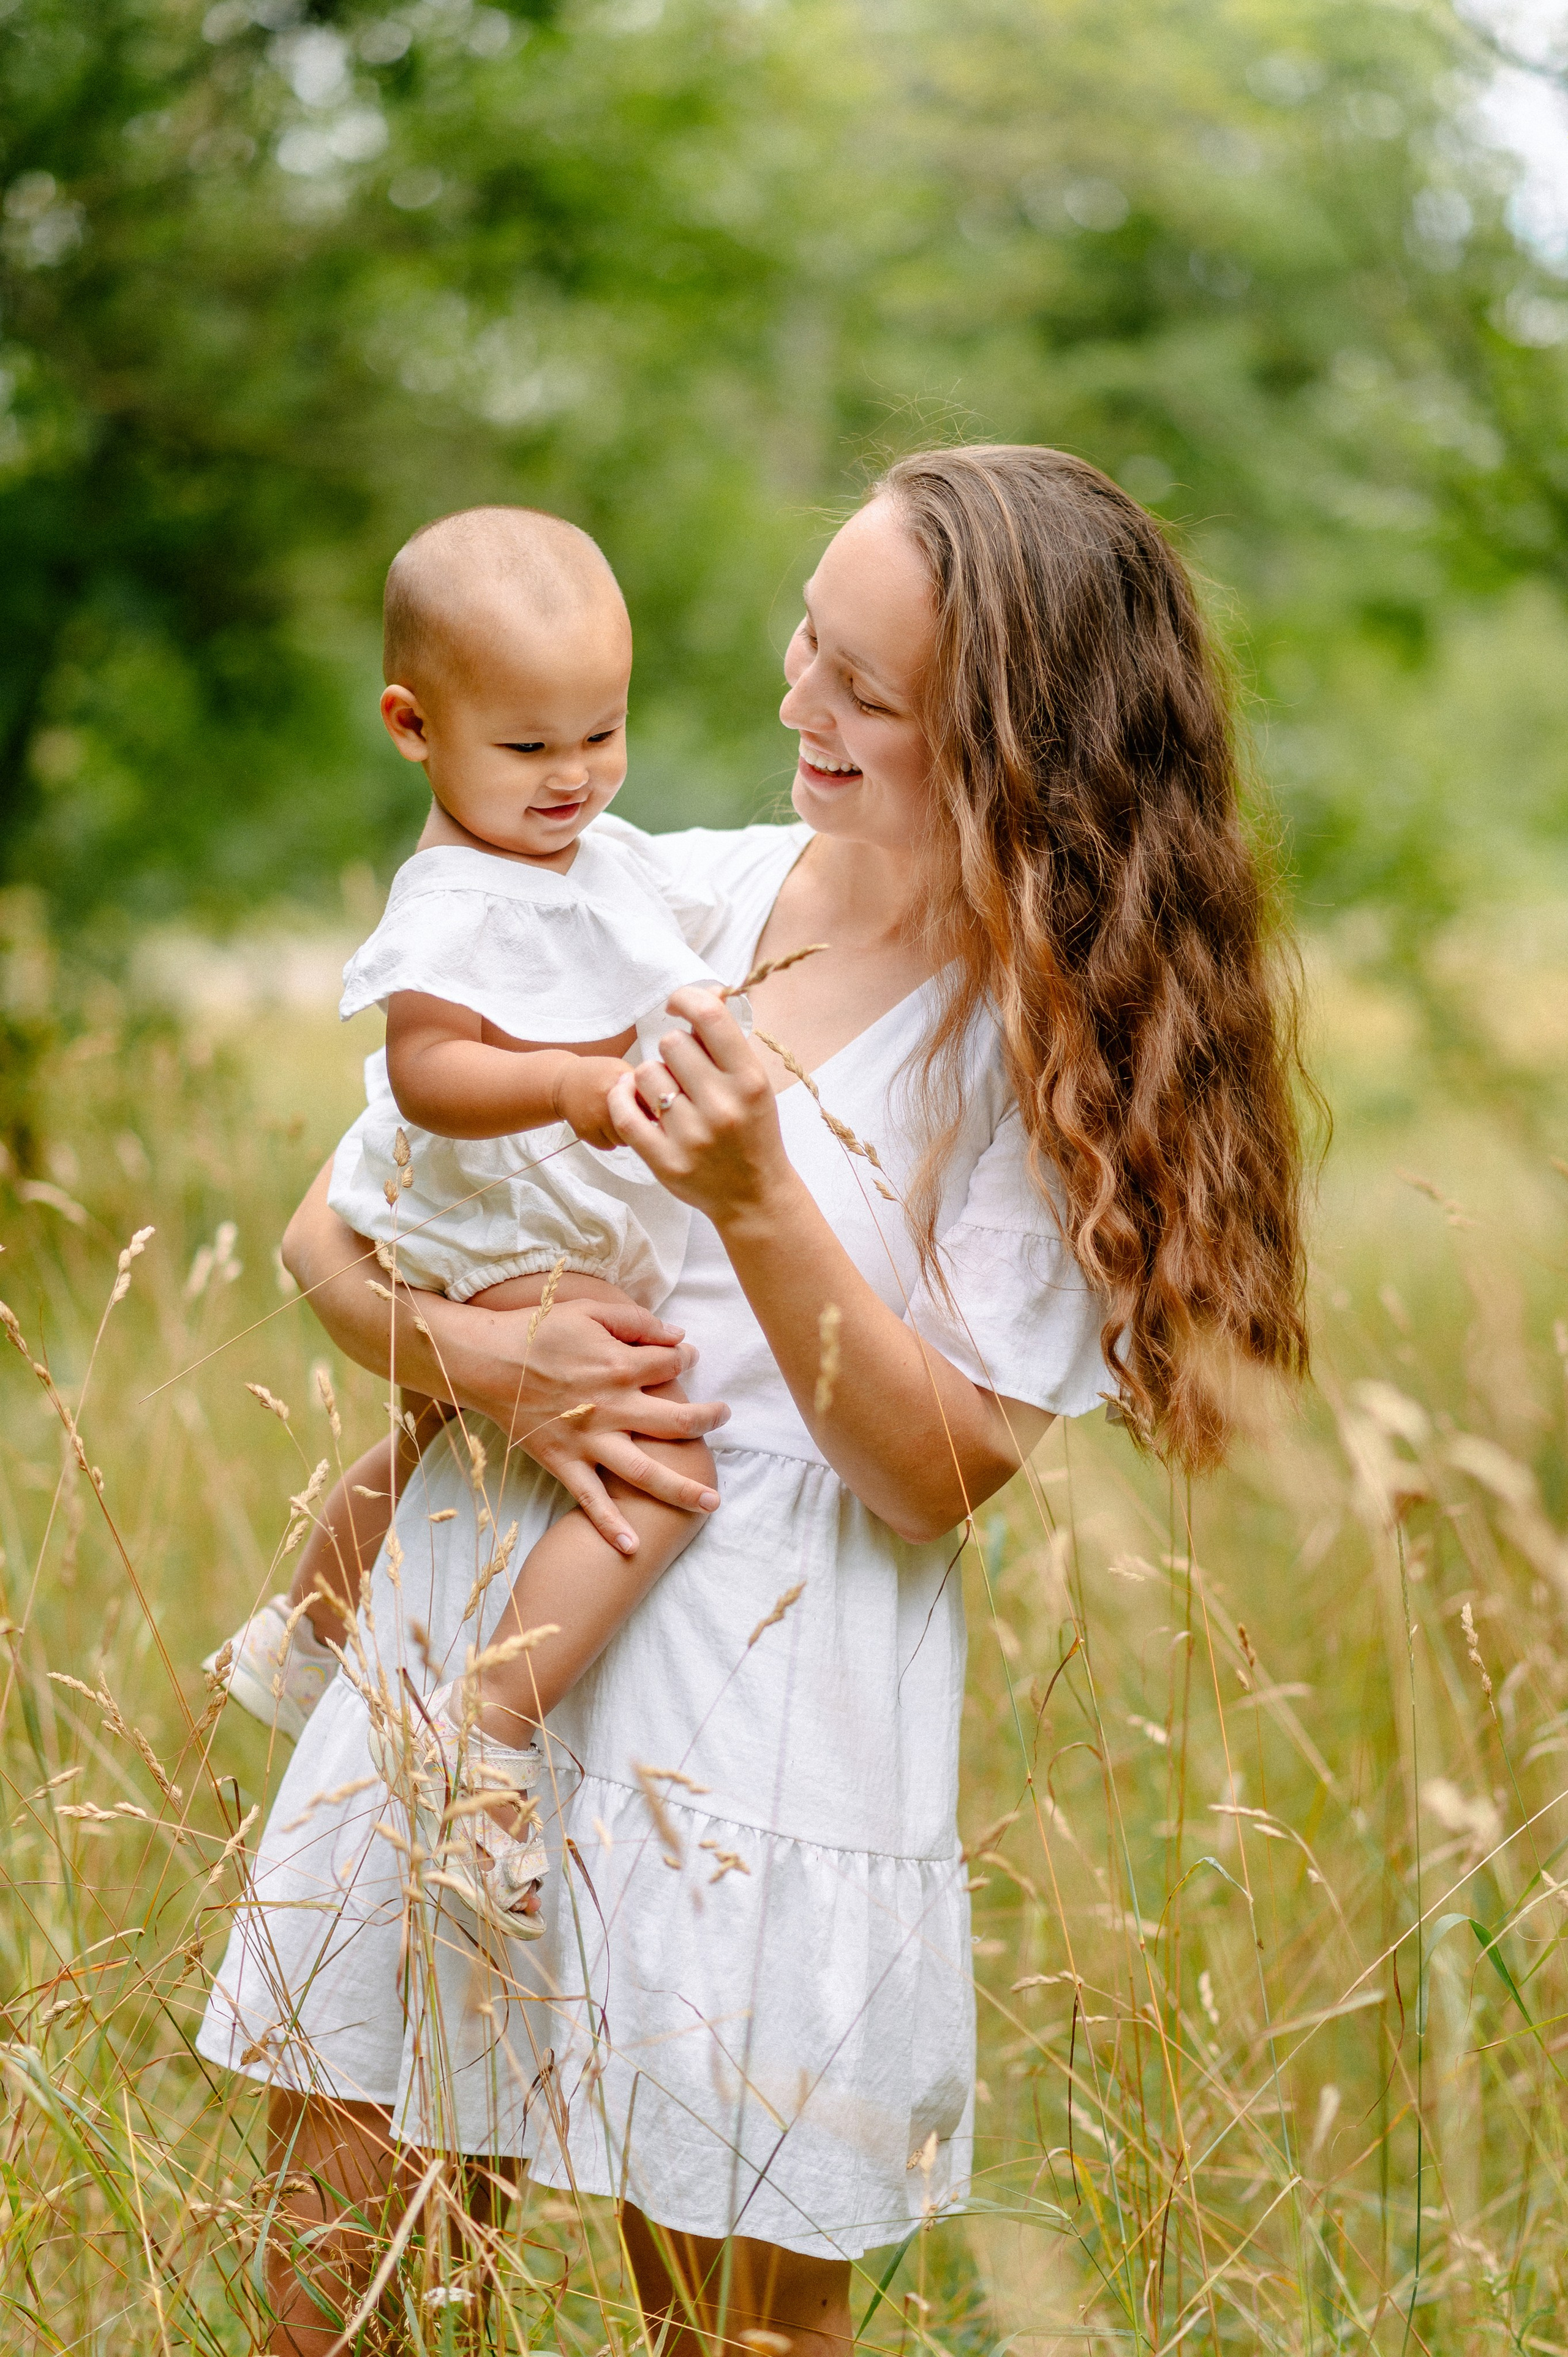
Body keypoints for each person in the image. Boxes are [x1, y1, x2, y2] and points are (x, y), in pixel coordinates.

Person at [197, 446, 1308, 2356]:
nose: (799, 699)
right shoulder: (663, 899)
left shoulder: (1047, 1048)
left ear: (1014, 743)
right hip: (481, 1660)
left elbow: (938, 1469)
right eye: (810, 642)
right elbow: (330, 1233)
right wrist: (500, 1369)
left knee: (735, 2340)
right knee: (335, 2300)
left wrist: (758, 1199)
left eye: (866, 690)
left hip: (765, 1727)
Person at [206, 503, 739, 1941]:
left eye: (600, 733)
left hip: (524, 1212)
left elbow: (653, 923)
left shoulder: (590, 851)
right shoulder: (448, 900)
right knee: (658, 1460)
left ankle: (304, 1633)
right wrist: (567, 1082)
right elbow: (427, 1075)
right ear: (411, 726)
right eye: (527, 747)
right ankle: (484, 1733)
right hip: (496, 1220)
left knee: (442, 1427)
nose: (573, 777)